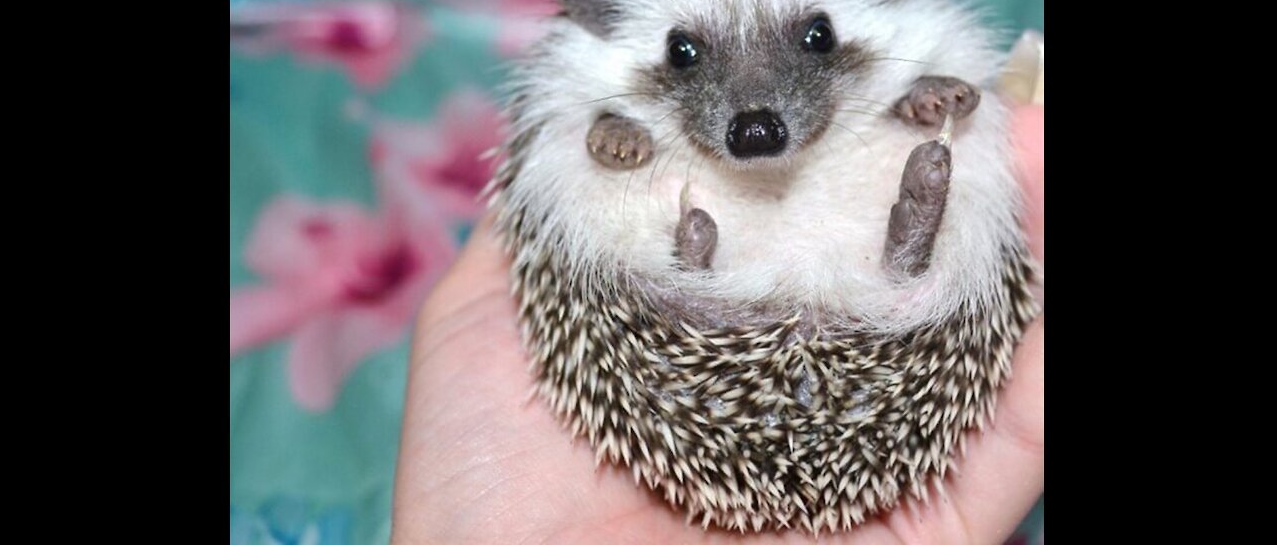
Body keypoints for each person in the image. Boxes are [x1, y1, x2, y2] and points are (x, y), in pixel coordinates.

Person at [391, 105, 1044, 545]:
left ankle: (725, 281)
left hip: (834, 298)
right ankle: (878, 274)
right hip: (761, 305)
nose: (753, 108)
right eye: (685, 55)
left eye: (814, 37)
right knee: (627, 246)